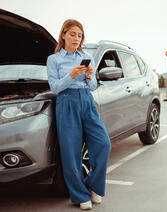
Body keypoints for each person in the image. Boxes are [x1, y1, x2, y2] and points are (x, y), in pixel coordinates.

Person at [46, 19, 111, 210]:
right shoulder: (54, 59)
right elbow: (55, 87)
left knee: (103, 143)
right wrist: (71, 75)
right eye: (73, 34)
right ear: (64, 35)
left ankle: (94, 186)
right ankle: (80, 195)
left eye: (80, 35)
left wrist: (90, 76)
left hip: (86, 101)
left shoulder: (87, 56)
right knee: (70, 151)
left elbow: (92, 86)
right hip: (66, 102)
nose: (76, 38)